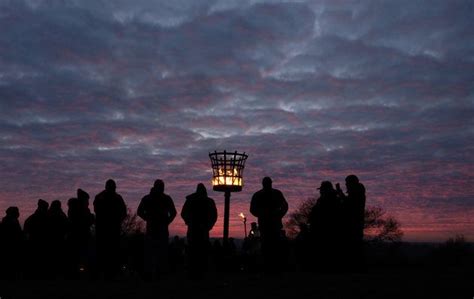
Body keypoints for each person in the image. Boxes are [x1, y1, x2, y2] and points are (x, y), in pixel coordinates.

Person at [137, 179, 177, 279]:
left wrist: (148, 218)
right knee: (158, 253)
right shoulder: (165, 198)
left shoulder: (148, 198)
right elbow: (173, 213)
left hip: (154, 228)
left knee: (153, 253)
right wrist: (167, 221)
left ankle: (152, 273)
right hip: (158, 229)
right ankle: (156, 273)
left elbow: (139, 211)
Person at [250, 177, 288, 272]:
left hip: (270, 223)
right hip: (267, 223)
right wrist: (278, 215)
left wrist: (279, 215)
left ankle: (272, 266)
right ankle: (271, 266)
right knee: (269, 244)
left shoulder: (260, 195)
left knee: (271, 244)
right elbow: (252, 209)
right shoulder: (272, 194)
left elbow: (284, 206)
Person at [181, 183, 217, 277]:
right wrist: (209, 225)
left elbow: (183, 213)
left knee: (194, 250)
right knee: (201, 250)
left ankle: (194, 270)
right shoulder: (209, 201)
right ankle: (201, 270)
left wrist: (188, 222)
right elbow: (214, 215)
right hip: (202, 229)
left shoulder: (190, 200)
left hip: (194, 228)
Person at [93, 179, 127, 279]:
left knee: (110, 251)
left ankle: (109, 272)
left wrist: (117, 221)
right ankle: (107, 272)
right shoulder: (103, 197)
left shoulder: (102, 197)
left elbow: (123, 212)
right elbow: (97, 211)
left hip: (109, 229)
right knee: (106, 251)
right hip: (105, 229)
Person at [308, 181, 342, 271]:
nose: (320, 191)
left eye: (322, 189)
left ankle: (326, 267)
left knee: (326, 248)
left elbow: (323, 213)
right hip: (322, 227)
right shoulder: (330, 198)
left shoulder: (329, 199)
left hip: (325, 228)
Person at [336, 174, 366, 271]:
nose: (346, 185)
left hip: (354, 222)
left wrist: (340, 193)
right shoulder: (357, 192)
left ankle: (354, 267)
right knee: (354, 244)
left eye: (347, 183)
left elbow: (348, 204)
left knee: (353, 244)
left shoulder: (356, 192)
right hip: (355, 222)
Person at [67, 189, 95, 277]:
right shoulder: (81, 210)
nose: (88, 203)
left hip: (77, 235)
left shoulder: (74, 208)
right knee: (82, 255)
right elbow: (85, 221)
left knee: (76, 256)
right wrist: (91, 218)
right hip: (81, 235)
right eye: (87, 200)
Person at [24, 199, 49, 278]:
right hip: (39, 243)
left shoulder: (31, 218)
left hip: (34, 242)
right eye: (46, 207)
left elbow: (25, 230)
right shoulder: (46, 218)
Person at [46, 200, 69, 277]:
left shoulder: (48, 214)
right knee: (58, 257)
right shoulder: (61, 215)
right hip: (59, 239)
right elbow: (66, 225)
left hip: (51, 239)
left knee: (52, 257)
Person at [0, 207, 24, 279]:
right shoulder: (12, 222)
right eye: (16, 212)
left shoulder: (8, 221)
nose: (18, 214)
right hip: (11, 247)